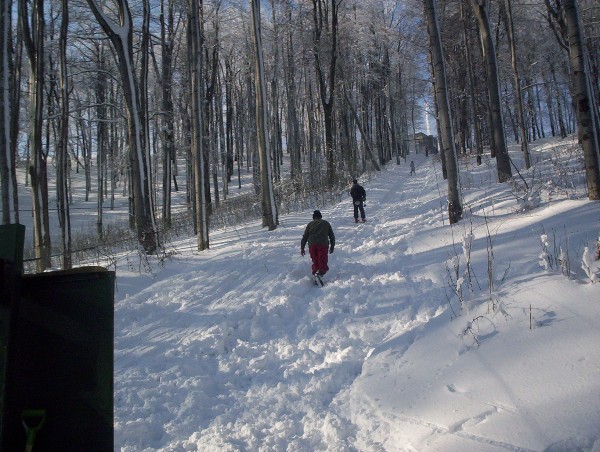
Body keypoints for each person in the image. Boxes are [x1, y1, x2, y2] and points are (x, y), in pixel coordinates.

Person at [300, 210, 335, 277]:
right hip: (323, 244)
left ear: (313, 217)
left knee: (315, 260)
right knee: (322, 260)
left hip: (312, 245)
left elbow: (305, 237)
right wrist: (332, 246)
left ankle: (316, 273)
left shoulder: (310, 224)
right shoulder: (326, 223)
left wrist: (302, 248)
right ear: (320, 216)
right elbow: (331, 236)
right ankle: (320, 273)